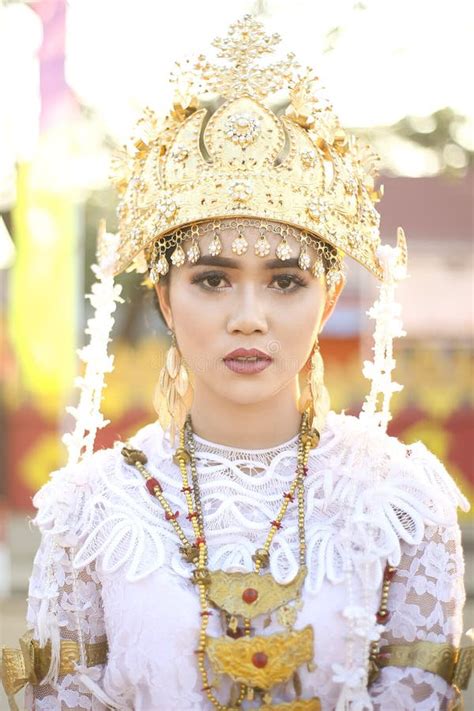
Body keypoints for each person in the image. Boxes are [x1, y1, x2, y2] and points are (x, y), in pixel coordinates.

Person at [2, 14, 472, 711]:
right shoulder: (92, 510)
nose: (247, 314)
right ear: (164, 296)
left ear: (329, 295)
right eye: (212, 279)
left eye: (285, 281)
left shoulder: (400, 502)